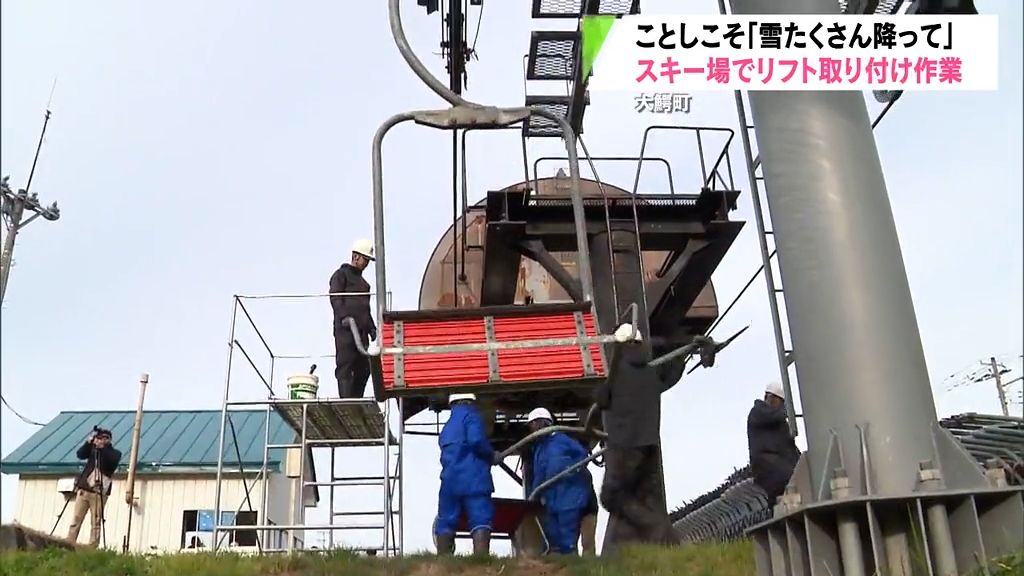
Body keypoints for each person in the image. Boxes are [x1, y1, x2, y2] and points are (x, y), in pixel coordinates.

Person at [434, 393, 500, 557]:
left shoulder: (448, 426)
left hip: (449, 481)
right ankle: (480, 560)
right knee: (480, 517)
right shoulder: (472, 417)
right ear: (471, 402)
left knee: (446, 520)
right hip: (473, 478)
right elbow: (477, 440)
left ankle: (443, 562)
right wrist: (492, 456)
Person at [527, 407, 593, 556]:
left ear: (545, 423)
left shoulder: (562, 440)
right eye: (531, 425)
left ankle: (570, 563)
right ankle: (556, 563)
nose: (532, 428)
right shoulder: (538, 449)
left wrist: (573, 468)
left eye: (535, 424)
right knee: (552, 536)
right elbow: (539, 474)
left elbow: (582, 455)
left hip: (569, 496)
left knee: (567, 535)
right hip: (551, 499)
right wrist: (534, 496)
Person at [330, 238, 377, 398]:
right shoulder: (341, 275)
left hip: (361, 334)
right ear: (356, 256)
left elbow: (365, 309)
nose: (366, 263)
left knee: (364, 368)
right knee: (346, 365)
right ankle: (346, 402)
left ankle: (356, 400)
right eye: (365, 259)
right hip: (346, 331)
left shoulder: (364, 285)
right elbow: (335, 297)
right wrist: (344, 317)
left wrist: (371, 328)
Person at [746, 381, 801, 504]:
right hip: (769, 469)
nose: (781, 406)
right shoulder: (758, 412)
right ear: (769, 398)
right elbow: (774, 415)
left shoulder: (779, 422)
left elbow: (790, 447)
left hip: (780, 467)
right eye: (780, 402)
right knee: (787, 479)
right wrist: (788, 411)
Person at [67, 427, 122, 548]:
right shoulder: (93, 450)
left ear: (108, 440)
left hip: (99, 492)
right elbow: (80, 454)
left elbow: (110, 463)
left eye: (103, 438)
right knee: (76, 518)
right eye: (99, 438)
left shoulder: (114, 453)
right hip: (84, 489)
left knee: (96, 520)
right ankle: (69, 542)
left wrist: (103, 449)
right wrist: (88, 443)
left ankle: (93, 545)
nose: (100, 440)